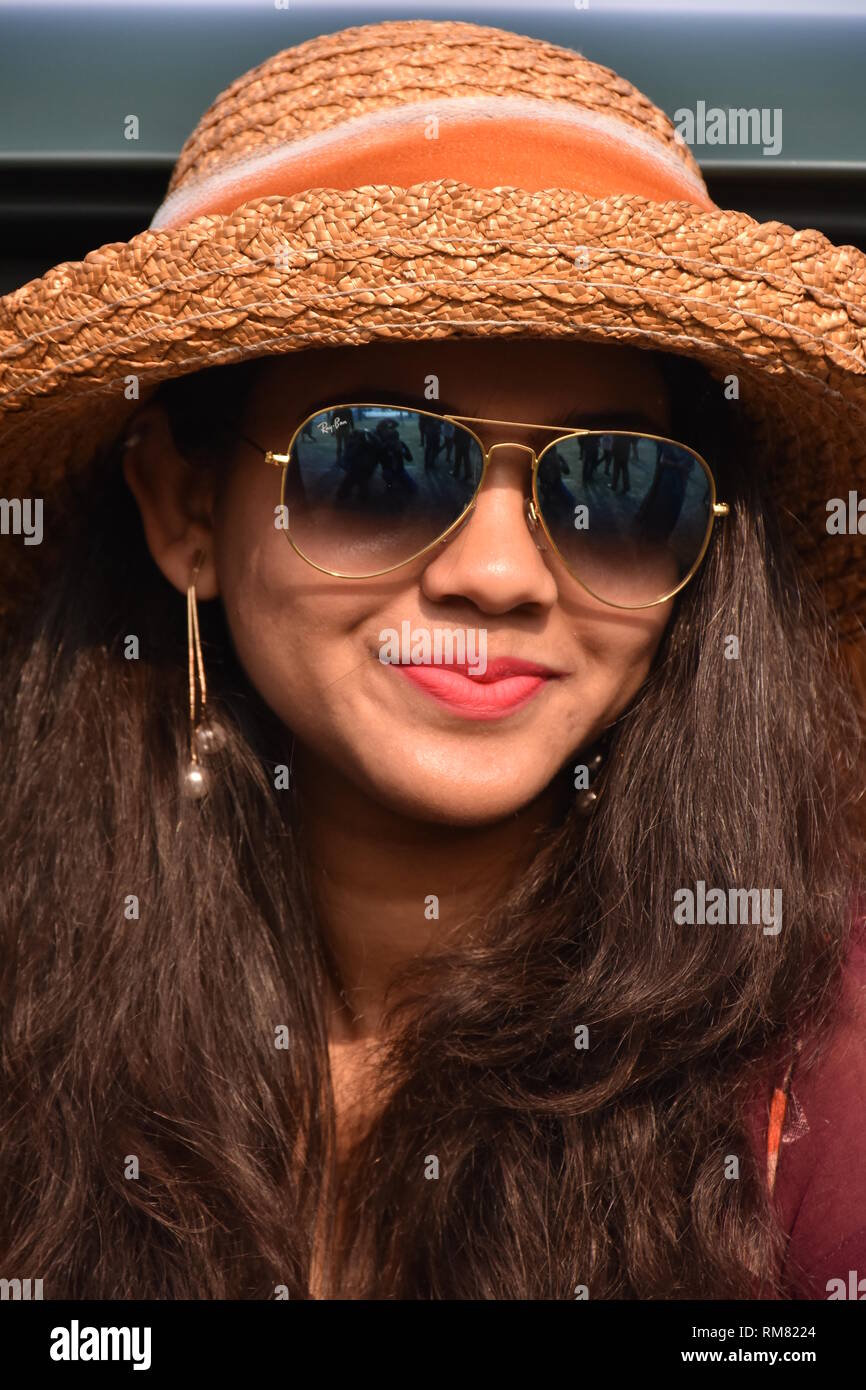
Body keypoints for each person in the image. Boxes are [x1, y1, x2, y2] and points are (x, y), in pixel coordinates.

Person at [1, 18, 865, 1304]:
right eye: (379, 463)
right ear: (185, 510)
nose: (502, 573)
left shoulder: (822, 1074)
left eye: (613, 484)